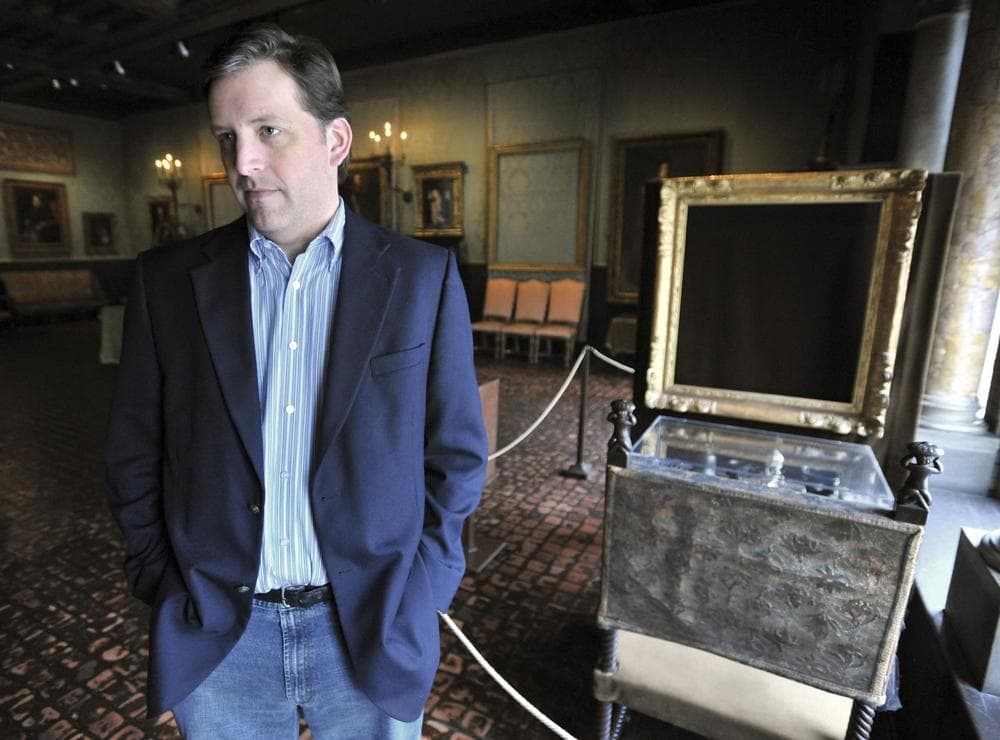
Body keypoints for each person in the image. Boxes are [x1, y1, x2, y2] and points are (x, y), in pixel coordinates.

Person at [105, 23, 487, 738]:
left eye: (269, 130)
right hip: (221, 636)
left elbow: (457, 457)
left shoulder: (420, 279)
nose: (242, 162)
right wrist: (162, 583)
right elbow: (133, 451)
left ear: (335, 141)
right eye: (227, 137)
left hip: (371, 628)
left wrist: (423, 593)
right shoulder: (167, 284)